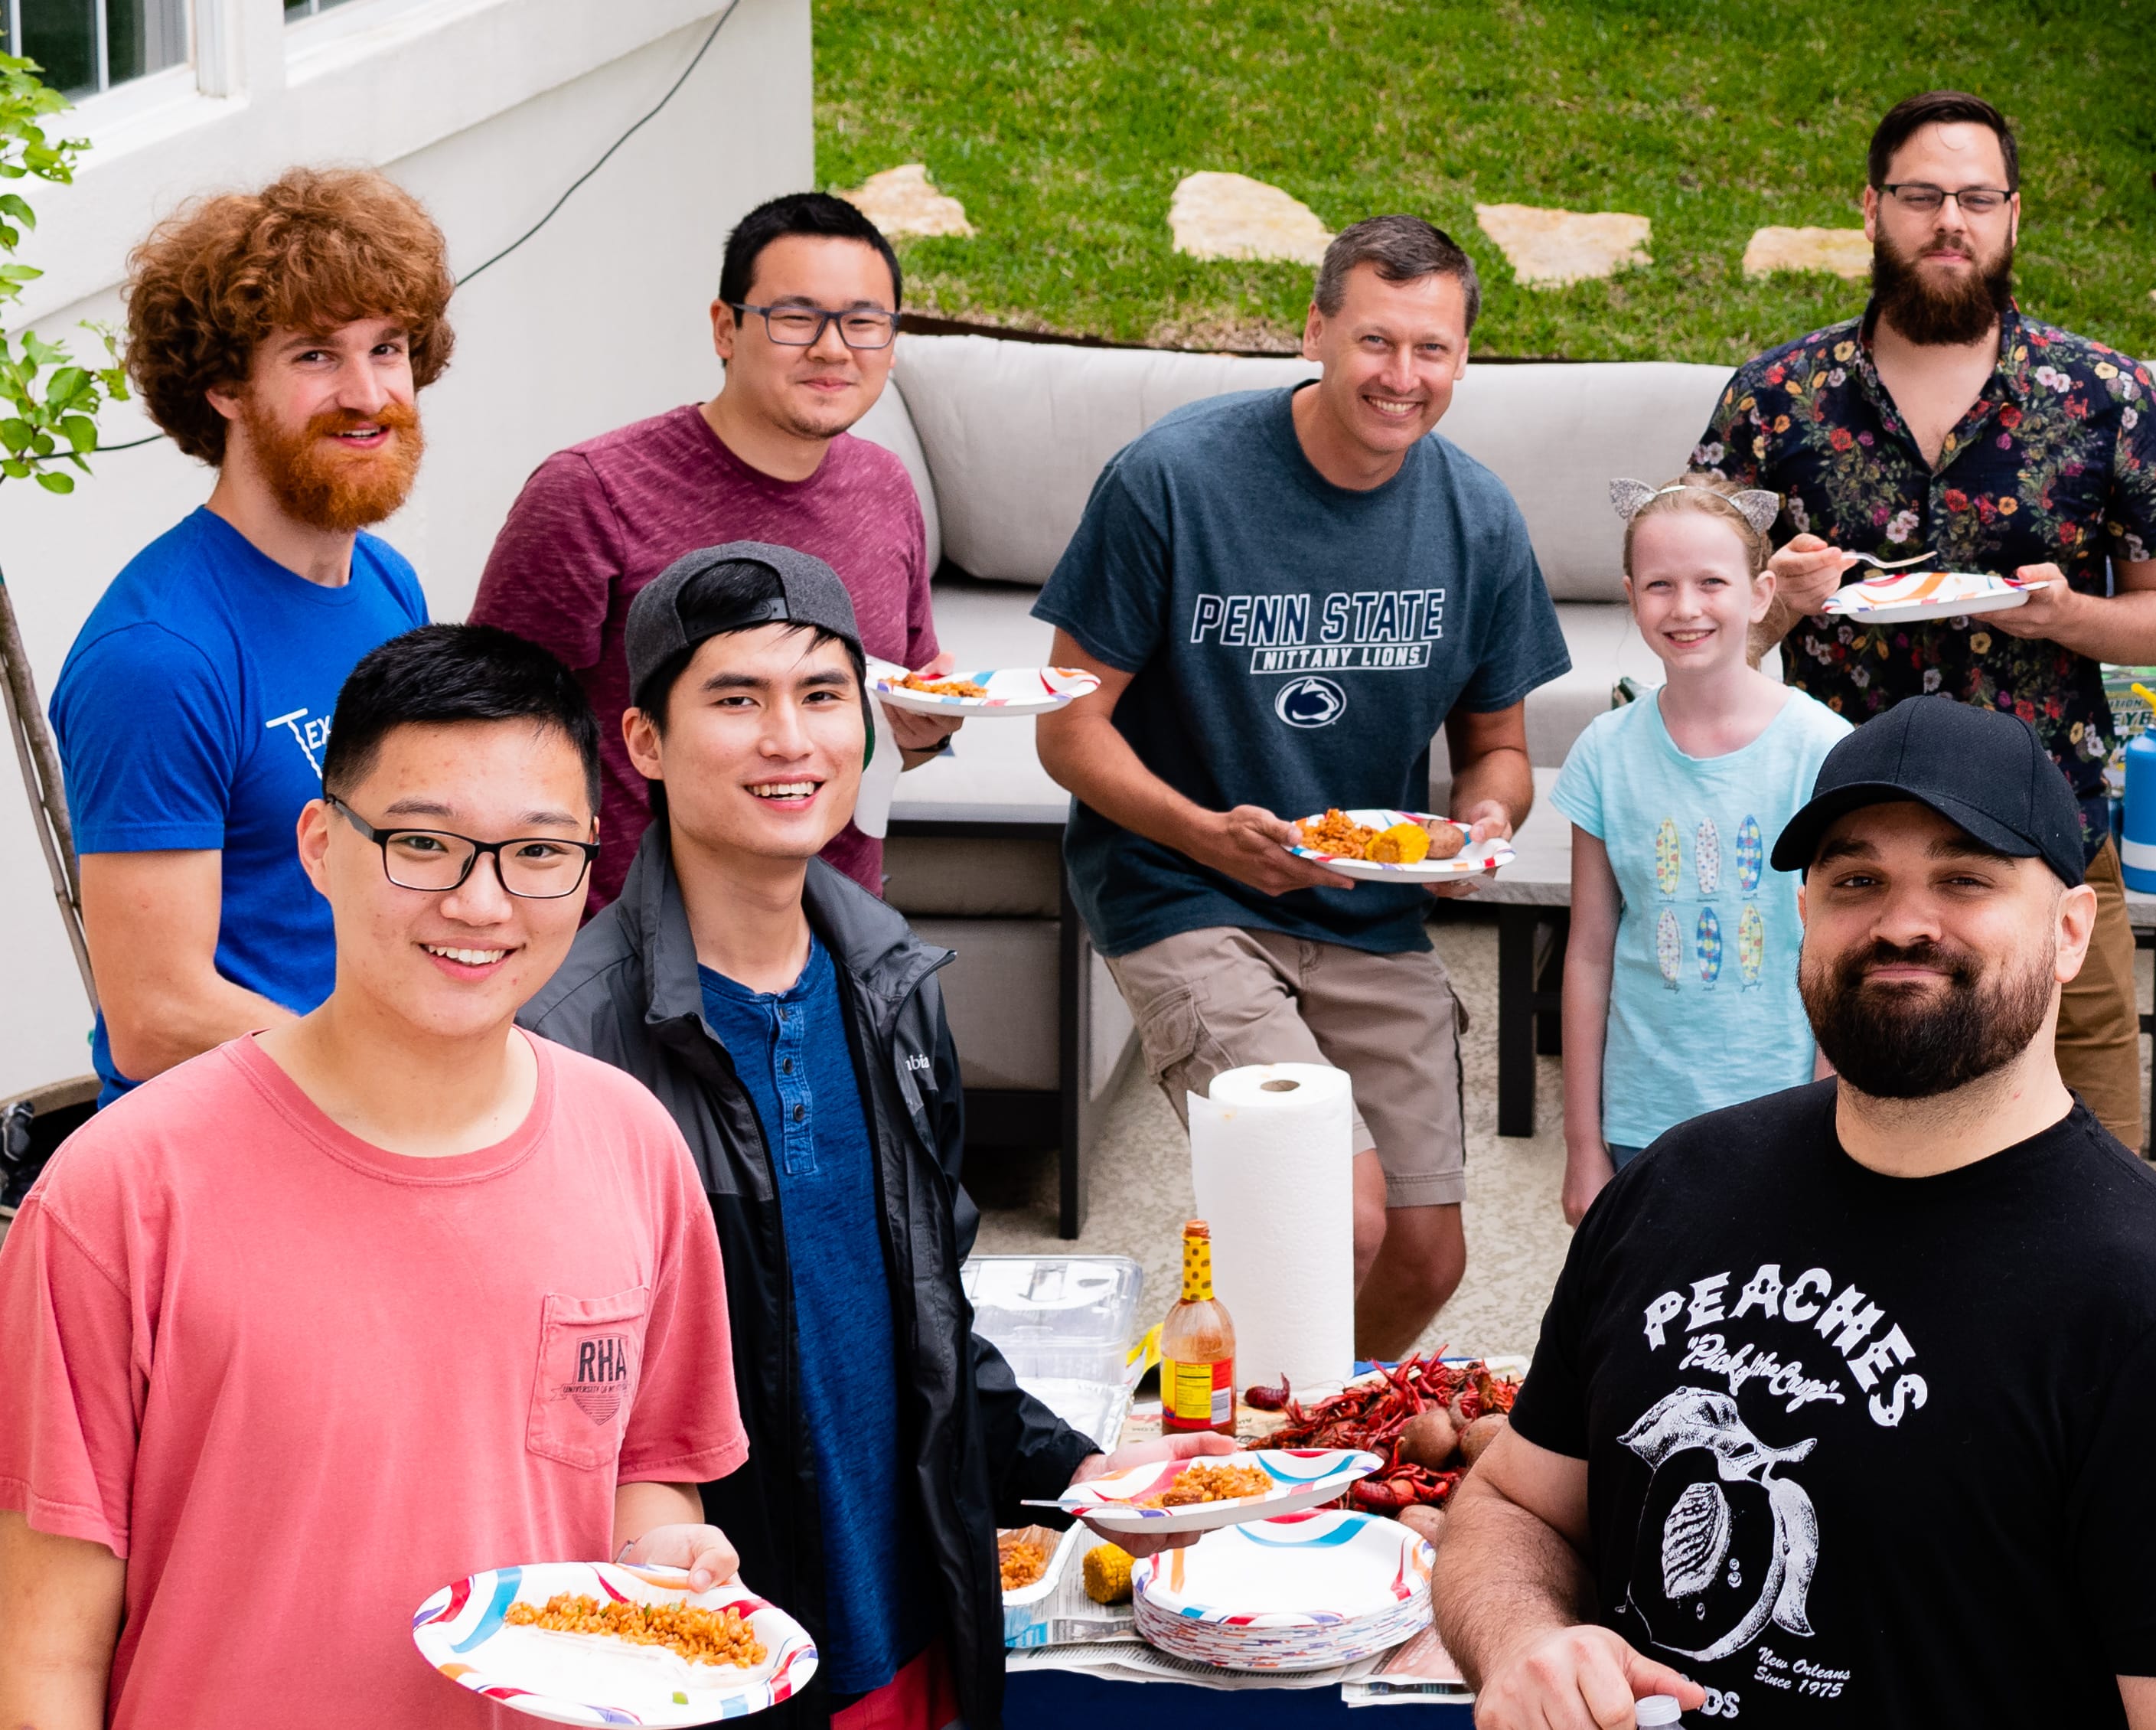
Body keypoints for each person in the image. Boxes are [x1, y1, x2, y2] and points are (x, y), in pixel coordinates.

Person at [1437, 696, 2156, 1728]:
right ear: (1806, 917)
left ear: (2071, 931)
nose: (1904, 922)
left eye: (1965, 878)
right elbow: (1512, 1505)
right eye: (1858, 881)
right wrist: (1524, 1642)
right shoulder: (1673, 1189)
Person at [517, 545, 1236, 1728]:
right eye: (735, 700)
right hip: (719, 1648)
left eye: (820, 696)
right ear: (641, 745)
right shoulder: (574, 1048)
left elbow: (923, 1306)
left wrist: (1069, 1469)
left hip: (917, 1626)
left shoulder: (891, 981)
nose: (788, 740)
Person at [0, 625, 749, 1728]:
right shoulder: (119, 1195)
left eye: (538, 852)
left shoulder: (635, 1147)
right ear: (318, 844)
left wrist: (659, 1552)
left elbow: (644, 1466)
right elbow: (45, 1647)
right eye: (422, 843)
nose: (483, 904)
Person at [1035, 214, 1569, 1358]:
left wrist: (1484, 822)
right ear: (1316, 328)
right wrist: (1205, 836)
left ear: (1465, 359)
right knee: (1338, 1210)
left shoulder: (1477, 518)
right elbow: (1069, 733)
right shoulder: (1174, 480)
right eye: (1377, 341)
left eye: (1433, 351)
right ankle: (1258, 1450)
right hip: (1182, 891)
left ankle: (1300, 1427)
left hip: (1367, 908)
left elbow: (1501, 751)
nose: (1402, 377)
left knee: (1430, 1255)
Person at [1703, 88, 2156, 1152]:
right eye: (1922, 195)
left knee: (2097, 1160)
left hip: (2047, 842)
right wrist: (1773, 605)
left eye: (1976, 197)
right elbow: (1698, 631)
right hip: (1845, 854)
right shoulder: (1774, 399)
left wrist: (2067, 617)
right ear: (1871, 208)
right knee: (1827, 1153)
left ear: (2013, 216)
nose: (1950, 222)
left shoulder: (2104, 395)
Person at [54, 166, 446, 1105]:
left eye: (387, 348)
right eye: (315, 356)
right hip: (237, 1149)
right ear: (225, 385)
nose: (367, 394)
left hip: (384, 1108)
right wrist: (406, 1064)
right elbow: (156, 1016)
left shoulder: (386, 583)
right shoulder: (159, 657)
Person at [475, 191, 964, 908]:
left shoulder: (885, 487)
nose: (833, 349)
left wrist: (922, 734)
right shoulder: (590, 494)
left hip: (836, 948)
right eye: (797, 318)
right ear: (725, 329)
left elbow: (881, 741)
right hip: (627, 962)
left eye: (864, 323)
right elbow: (487, 737)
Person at [1554, 480, 1854, 1221]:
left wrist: (1828, 1121)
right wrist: (1582, 1145)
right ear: (1631, 595)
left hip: (1787, 1123)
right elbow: (1588, 953)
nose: (1684, 608)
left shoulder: (1820, 750)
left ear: (1759, 595)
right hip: (1639, 1126)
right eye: (1660, 585)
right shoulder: (1602, 754)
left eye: (1710, 583)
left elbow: (1841, 949)